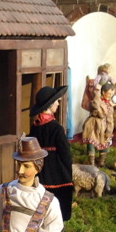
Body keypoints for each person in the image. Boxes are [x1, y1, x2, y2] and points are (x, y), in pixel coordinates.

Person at [27, 85, 73, 221]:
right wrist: (68, 172)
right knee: (57, 204)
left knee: (41, 200)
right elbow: (65, 154)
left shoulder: (35, 127)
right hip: (57, 172)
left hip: (40, 170)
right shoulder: (57, 128)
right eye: (57, 101)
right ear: (50, 105)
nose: (58, 104)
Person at [81, 82, 115, 166]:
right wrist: (97, 92)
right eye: (109, 93)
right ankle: (91, 162)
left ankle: (101, 161)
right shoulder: (97, 101)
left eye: (111, 94)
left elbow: (110, 118)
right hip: (93, 124)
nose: (110, 95)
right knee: (91, 142)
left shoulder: (110, 105)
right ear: (103, 92)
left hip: (104, 126)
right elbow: (95, 105)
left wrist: (109, 130)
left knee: (104, 141)